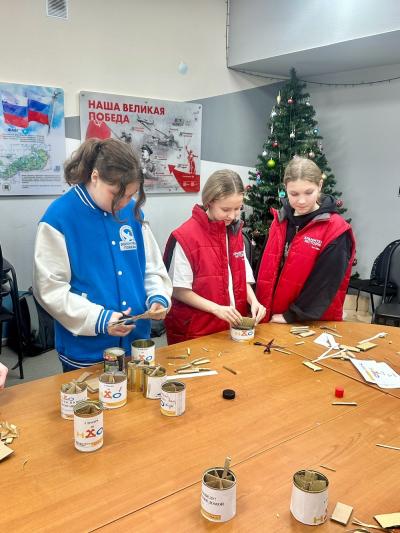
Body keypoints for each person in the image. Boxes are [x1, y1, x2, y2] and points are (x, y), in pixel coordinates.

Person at [33, 138, 172, 371]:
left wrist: (158, 297)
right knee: (93, 405)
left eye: (131, 195)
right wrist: (100, 319)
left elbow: (150, 267)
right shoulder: (59, 217)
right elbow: (50, 289)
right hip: (88, 350)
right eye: (117, 194)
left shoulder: (131, 211)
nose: (124, 203)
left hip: (136, 345)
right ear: (95, 177)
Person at [163, 169, 266, 344]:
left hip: (231, 329)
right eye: (225, 209)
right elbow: (178, 290)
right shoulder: (186, 236)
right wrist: (216, 309)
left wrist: (254, 301)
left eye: (237, 209)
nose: (232, 216)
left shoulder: (235, 232)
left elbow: (242, 279)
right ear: (209, 201)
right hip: (197, 331)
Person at [256, 156, 355, 324]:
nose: (301, 201)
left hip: (308, 321)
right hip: (272, 316)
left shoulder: (336, 229)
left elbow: (325, 283)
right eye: (293, 194)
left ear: (320, 186)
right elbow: (265, 267)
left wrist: (291, 315)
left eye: (309, 192)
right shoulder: (279, 220)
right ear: (285, 189)